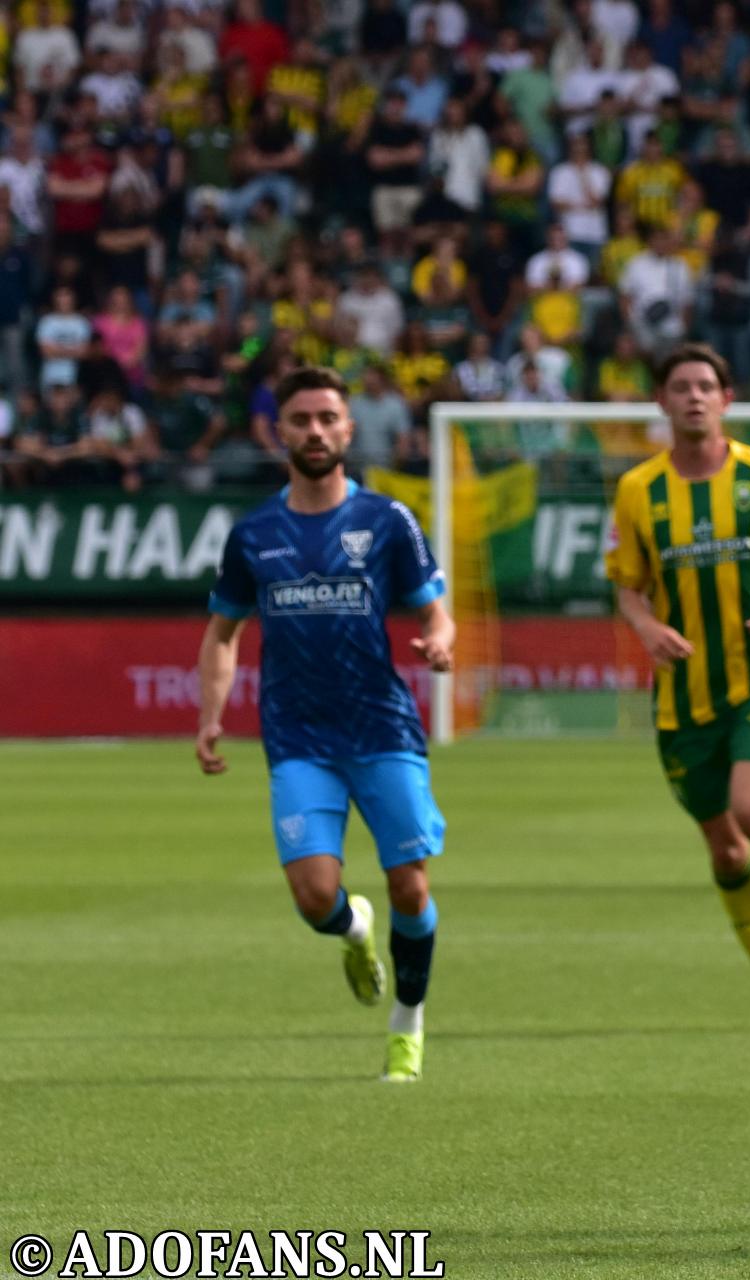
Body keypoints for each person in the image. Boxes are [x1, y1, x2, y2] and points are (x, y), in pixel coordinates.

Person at [195, 367, 453, 1085]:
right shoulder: (255, 534)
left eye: (328, 419)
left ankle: (407, 1025)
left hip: (381, 729)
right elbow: (222, 634)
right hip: (299, 736)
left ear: (348, 429)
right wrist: (210, 717)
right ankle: (354, 931)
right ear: (280, 431)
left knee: (411, 888)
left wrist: (441, 640)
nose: (315, 431)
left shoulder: (387, 521)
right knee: (314, 899)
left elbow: (434, 608)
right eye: (301, 419)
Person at [605, 344, 750, 1033]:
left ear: (727, 399)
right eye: (680, 387)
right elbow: (626, 583)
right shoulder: (638, 490)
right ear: (662, 401)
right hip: (682, 697)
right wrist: (646, 627)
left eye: (707, 385)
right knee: (727, 850)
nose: (694, 397)